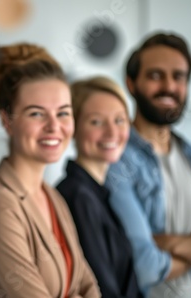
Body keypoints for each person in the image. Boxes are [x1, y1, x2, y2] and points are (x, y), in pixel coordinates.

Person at [0, 43, 101, 297]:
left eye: (63, 113)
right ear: (7, 120)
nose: (53, 127)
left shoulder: (53, 197)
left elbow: (88, 285)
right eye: (37, 114)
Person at [106, 32, 191, 297]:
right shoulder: (117, 160)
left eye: (178, 76)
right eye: (155, 76)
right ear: (131, 84)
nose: (169, 86)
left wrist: (166, 242)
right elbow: (143, 267)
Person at [57, 76, 142, 297]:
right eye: (96, 122)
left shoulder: (98, 193)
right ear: (73, 127)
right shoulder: (77, 197)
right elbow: (102, 289)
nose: (112, 133)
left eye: (120, 120)